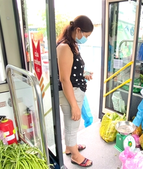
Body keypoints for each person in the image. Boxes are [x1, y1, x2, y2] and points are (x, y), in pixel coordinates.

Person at [56, 15, 93, 167]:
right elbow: (64, 79)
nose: (86, 39)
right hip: (70, 92)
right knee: (73, 124)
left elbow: (70, 71)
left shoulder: (71, 44)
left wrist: (84, 74)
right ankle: (75, 156)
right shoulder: (65, 47)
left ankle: (69, 147)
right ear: (78, 30)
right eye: (85, 35)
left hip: (75, 88)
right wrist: (74, 105)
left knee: (70, 123)